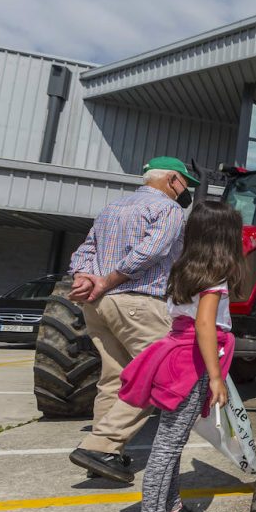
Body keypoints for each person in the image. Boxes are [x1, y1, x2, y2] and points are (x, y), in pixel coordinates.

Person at [117, 201, 241, 512]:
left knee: (170, 441)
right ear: (224, 236)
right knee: (168, 447)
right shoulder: (215, 275)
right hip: (191, 363)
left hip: (178, 357)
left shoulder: (185, 269)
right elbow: (204, 325)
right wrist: (216, 378)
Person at [67, 156, 197, 484]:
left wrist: (85, 278)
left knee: (115, 376)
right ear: (172, 180)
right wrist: (107, 280)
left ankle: (105, 454)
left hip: (98, 306)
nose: (187, 191)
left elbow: (84, 251)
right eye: (185, 183)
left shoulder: (113, 208)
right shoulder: (169, 210)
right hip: (138, 302)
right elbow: (150, 251)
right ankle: (102, 444)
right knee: (162, 375)